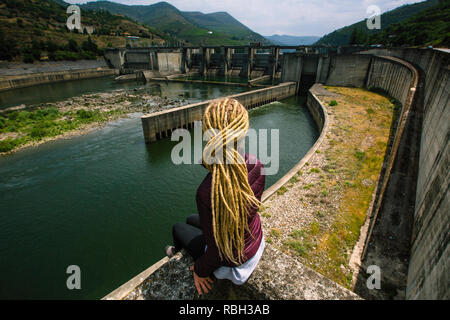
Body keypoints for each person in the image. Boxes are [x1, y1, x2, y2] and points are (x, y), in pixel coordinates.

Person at [166, 98, 266, 296]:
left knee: (178, 227)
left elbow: (217, 252)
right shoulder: (257, 165)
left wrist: (201, 271)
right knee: (191, 219)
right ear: (243, 131)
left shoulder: (207, 192)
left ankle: (175, 252)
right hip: (254, 240)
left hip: (234, 261)